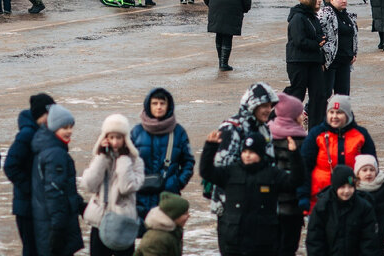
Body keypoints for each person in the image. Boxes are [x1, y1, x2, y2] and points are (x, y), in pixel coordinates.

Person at [200, 129, 303, 256]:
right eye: (245, 152)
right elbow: (206, 172)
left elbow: (295, 181)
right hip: (234, 240)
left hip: (263, 241)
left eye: (252, 152)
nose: (247, 155)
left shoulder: (272, 173)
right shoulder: (231, 172)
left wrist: (294, 155)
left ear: (260, 154)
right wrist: (210, 147)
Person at [207, 83, 279, 216]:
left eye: (270, 105)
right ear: (252, 105)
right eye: (264, 106)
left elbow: (270, 162)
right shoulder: (231, 127)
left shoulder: (264, 128)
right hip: (231, 203)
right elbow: (222, 166)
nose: (268, 110)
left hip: (260, 201)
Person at [81, 114, 144, 256]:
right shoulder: (100, 158)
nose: (115, 142)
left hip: (124, 222)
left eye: (119, 137)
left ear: (125, 139)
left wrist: (123, 159)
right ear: (105, 138)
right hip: (100, 221)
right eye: (111, 137)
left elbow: (126, 187)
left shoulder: (135, 161)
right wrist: (102, 158)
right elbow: (89, 185)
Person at [130, 89, 194, 226]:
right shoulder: (137, 132)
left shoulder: (178, 132)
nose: (158, 107)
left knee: (169, 240)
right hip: (141, 197)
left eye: (162, 103)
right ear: (148, 106)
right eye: (155, 103)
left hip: (169, 197)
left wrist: (177, 182)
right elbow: (126, 162)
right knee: (145, 243)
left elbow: (188, 162)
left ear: (168, 106)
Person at [301, 96, 376, 208]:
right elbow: (304, 166)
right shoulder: (316, 134)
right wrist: (303, 195)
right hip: (321, 195)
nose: (334, 116)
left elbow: (372, 165)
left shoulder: (361, 135)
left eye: (339, 112)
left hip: (353, 193)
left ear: (347, 114)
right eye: (332, 112)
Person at [5, 93, 55, 256]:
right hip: (26, 207)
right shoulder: (27, 134)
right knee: (31, 249)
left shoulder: (47, 133)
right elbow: (10, 166)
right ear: (41, 115)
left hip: (39, 205)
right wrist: (30, 188)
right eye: (49, 114)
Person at [30, 105, 83, 256]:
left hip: (45, 221)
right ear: (54, 128)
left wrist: (80, 205)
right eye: (64, 127)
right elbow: (55, 191)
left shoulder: (47, 148)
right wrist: (58, 227)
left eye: (71, 127)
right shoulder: (56, 154)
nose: (69, 131)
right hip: (55, 224)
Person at [304, 165, 380, 256]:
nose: (347, 191)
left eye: (350, 186)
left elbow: (369, 241)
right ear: (335, 187)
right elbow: (315, 240)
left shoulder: (364, 208)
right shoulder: (322, 207)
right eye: (342, 187)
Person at [269, 93, 308, 256]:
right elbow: (302, 174)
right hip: (291, 206)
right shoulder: (299, 139)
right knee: (288, 247)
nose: (303, 115)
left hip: (270, 206)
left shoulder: (269, 133)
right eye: (300, 112)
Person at [285, 0, 328, 127]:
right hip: (298, 61)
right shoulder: (298, 17)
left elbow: (318, 35)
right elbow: (299, 41)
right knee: (297, 94)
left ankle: (316, 129)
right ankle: (279, 120)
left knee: (320, 95)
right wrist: (317, 43)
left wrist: (320, 46)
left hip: (314, 61)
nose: (320, 0)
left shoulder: (312, 16)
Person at [353, 155, 384, 253]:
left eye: (372, 170)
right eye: (364, 170)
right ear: (357, 174)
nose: (368, 173)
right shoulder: (355, 193)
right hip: (366, 241)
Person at [327, 0, 358, 96]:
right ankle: (309, 110)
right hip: (331, 61)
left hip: (345, 59)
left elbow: (353, 36)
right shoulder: (326, 14)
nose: (344, 1)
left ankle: (340, 112)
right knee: (324, 93)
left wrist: (354, 52)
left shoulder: (348, 16)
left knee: (343, 95)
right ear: (331, 0)